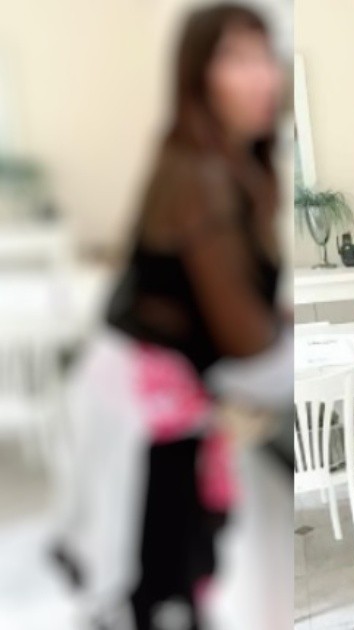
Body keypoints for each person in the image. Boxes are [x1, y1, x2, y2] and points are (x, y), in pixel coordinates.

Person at [61, 4, 286, 629]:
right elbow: (246, 343)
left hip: (166, 403)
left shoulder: (226, 163)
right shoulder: (200, 176)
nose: (262, 76)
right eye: (235, 58)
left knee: (172, 571)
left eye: (264, 56)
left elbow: (227, 302)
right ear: (196, 75)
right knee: (154, 576)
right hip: (145, 413)